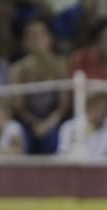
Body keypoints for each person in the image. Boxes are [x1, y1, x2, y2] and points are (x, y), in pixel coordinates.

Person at [10, 17, 69, 155]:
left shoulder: (61, 66)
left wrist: (49, 123)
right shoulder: (18, 70)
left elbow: (64, 105)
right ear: (25, 41)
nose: (36, 38)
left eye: (40, 34)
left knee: (52, 139)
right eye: (31, 35)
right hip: (28, 121)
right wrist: (34, 123)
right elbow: (18, 107)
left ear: (49, 38)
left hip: (53, 119)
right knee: (20, 137)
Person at [56, 91, 107, 157]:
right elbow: (62, 155)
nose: (102, 110)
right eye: (97, 106)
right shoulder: (70, 127)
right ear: (87, 106)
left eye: (105, 106)